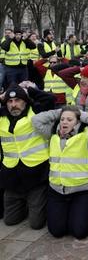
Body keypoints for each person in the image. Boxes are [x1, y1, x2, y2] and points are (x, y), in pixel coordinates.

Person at [31, 106, 88, 239]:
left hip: (83, 191)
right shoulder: (51, 133)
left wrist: (81, 113)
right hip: (57, 191)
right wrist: (59, 111)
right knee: (57, 232)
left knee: (79, 232)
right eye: (62, 119)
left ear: (78, 122)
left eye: (69, 119)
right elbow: (36, 120)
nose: (64, 122)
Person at [0, 82, 56, 229]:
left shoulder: (36, 112)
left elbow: (50, 99)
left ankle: (39, 201)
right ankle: (25, 204)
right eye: (10, 101)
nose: (14, 105)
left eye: (18, 100)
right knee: (10, 221)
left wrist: (28, 90)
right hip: (11, 176)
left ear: (25, 101)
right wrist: (2, 97)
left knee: (36, 224)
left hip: (36, 175)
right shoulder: (2, 116)